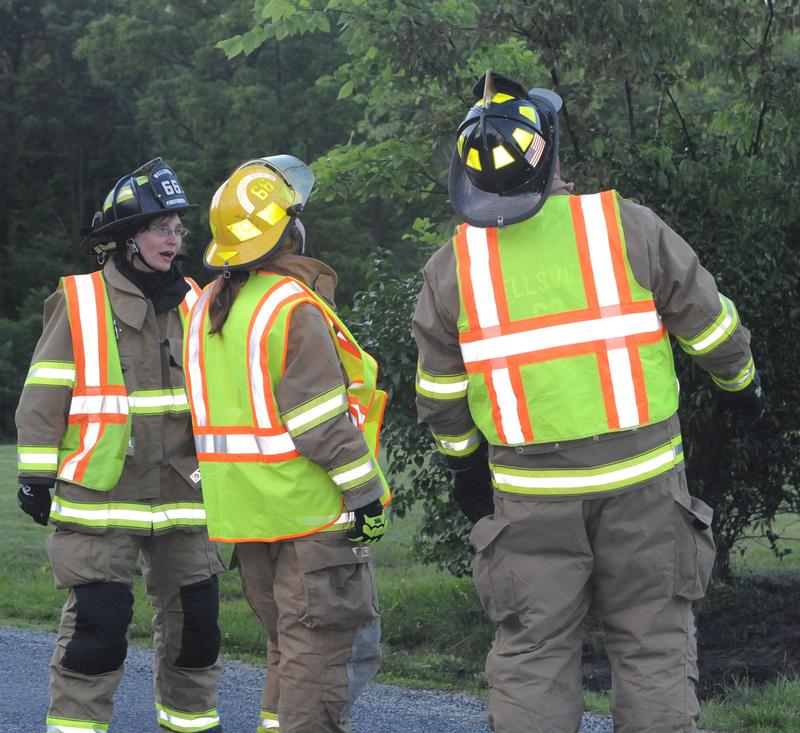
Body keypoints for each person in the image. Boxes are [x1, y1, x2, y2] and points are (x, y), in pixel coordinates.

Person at [412, 71, 765, 733]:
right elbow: (710, 324)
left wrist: (464, 469)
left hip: (528, 494)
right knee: (654, 644)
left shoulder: (450, 267)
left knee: (533, 653)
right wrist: (741, 388)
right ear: (553, 153)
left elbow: (440, 394)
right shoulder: (625, 226)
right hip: (646, 485)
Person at [15, 158, 225, 733]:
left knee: (197, 632)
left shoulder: (197, 300)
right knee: (98, 633)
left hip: (185, 496)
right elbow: (45, 391)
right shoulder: (80, 301)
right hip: (100, 498)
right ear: (126, 237)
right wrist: (35, 473)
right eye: (161, 226)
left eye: (179, 227)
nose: (174, 238)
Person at [183, 154, 391, 733]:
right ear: (288, 230)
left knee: (289, 653)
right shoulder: (289, 307)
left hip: (249, 518)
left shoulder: (205, 307)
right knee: (321, 663)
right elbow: (321, 422)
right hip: (311, 515)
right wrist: (367, 496)